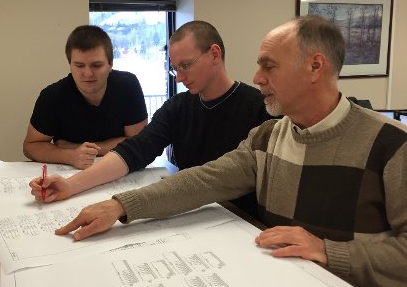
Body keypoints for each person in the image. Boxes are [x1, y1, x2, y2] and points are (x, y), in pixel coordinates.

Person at [35, 15, 407, 287]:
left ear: (315, 66)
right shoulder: (268, 136)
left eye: (268, 66)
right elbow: (203, 180)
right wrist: (120, 205)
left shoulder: (392, 144)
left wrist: (327, 250)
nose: (258, 77)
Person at [30, 20, 272, 214]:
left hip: (241, 220)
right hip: (191, 212)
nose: (178, 77)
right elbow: (135, 149)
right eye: (175, 68)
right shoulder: (177, 107)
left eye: (186, 65)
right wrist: (71, 185)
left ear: (214, 54)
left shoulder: (261, 109)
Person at [23, 25, 148, 169]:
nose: (88, 73)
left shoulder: (128, 86)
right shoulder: (52, 96)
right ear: (70, 64)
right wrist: (71, 156)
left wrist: (82, 149)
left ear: (110, 64)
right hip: (70, 174)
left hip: (120, 170)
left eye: (96, 65)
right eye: (79, 65)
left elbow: (139, 142)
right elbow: (30, 146)